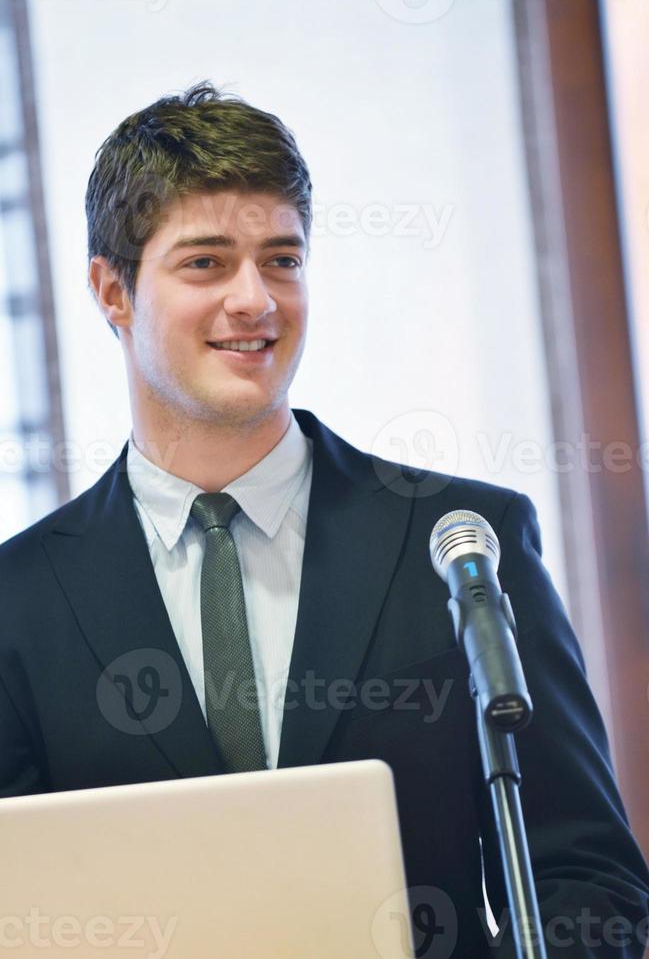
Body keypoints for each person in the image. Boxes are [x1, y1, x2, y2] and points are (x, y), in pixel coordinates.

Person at [0, 82, 647, 958]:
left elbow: (591, 884)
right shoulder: (20, 600)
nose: (255, 299)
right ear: (112, 291)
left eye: (281, 259)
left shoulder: (461, 543)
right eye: (205, 263)